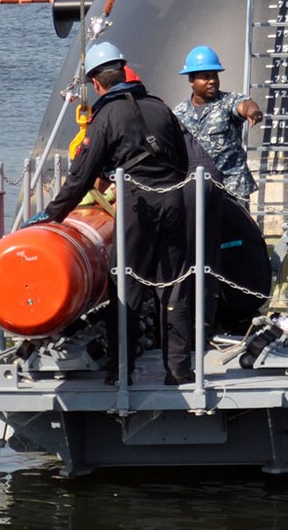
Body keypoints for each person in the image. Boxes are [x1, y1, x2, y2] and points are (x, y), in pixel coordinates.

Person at [33, 41, 194, 386]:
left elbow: (82, 175)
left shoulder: (105, 117)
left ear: (96, 83)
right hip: (173, 200)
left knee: (125, 284)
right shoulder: (161, 108)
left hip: (136, 203)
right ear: (124, 72)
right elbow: (182, 162)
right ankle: (179, 371)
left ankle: (121, 370)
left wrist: (52, 214)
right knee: (174, 285)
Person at [172, 45, 263, 204]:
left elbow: (245, 105)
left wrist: (252, 111)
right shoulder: (179, 113)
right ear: (191, 80)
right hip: (197, 188)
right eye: (206, 77)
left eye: (215, 76)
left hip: (231, 188)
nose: (212, 81)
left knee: (236, 229)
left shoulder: (228, 102)